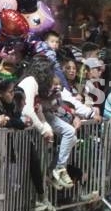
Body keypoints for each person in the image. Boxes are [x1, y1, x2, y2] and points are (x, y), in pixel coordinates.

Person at [18, 56, 75, 189]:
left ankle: (56, 170)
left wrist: (46, 128)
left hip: (32, 127)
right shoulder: (30, 82)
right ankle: (57, 169)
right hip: (22, 129)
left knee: (72, 137)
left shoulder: (35, 84)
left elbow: (38, 109)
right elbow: (27, 110)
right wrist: (44, 130)